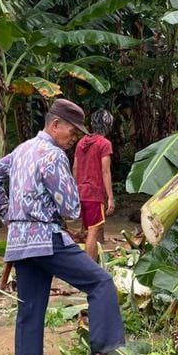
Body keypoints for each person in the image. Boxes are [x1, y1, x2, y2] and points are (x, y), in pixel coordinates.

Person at [0, 99, 125, 355]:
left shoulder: (22, 150)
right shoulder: (54, 155)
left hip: (20, 243)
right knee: (101, 283)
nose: (75, 137)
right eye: (72, 131)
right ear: (55, 124)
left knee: (30, 313)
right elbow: (70, 208)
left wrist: (8, 215)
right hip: (46, 238)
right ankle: (102, 353)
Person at [73, 108, 115, 262]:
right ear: (108, 125)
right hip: (94, 193)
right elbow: (105, 171)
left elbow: (75, 168)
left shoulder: (81, 142)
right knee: (92, 231)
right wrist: (110, 197)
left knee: (87, 228)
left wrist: (73, 191)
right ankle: (91, 269)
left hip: (80, 191)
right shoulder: (104, 143)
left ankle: (83, 263)